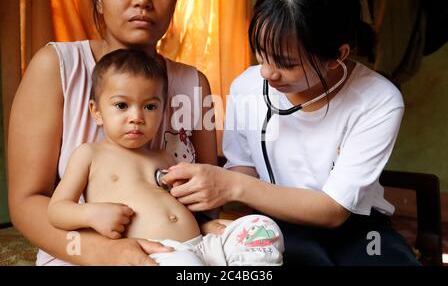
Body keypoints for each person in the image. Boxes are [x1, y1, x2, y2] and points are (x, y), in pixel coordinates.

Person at [162, 0, 421, 266]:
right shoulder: (247, 87)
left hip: (356, 227)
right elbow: (244, 169)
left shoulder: (379, 100)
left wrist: (231, 186)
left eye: (286, 63)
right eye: (261, 52)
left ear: (338, 56)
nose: (267, 72)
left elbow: (334, 210)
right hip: (274, 220)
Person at [8, 0, 218, 266]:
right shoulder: (57, 67)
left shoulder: (194, 83)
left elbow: (205, 198)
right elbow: (25, 202)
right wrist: (106, 252)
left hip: (184, 252)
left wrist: (207, 229)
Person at [47, 49, 284, 266]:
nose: (136, 117)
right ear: (96, 111)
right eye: (122, 105)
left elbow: (182, 204)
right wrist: (91, 214)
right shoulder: (90, 154)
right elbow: (57, 210)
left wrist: (204, 224)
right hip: (159, 253)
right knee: (186, 266)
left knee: (261, 229)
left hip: (202, 244)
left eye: (149, 107)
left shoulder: (163, 156)